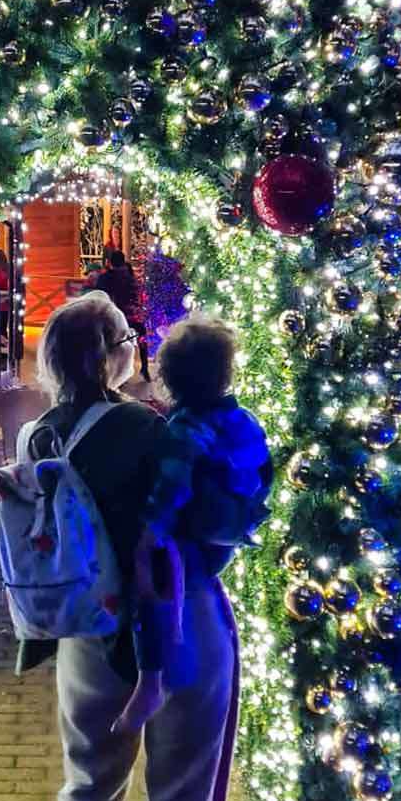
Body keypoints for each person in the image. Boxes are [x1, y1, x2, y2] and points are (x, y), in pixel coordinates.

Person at [19, 292, 239, 801]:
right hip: (185, 628)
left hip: (91, 633)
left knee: (88, 787)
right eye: (126, 338)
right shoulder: (152, 430)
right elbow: (211, 528)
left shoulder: (37, 437)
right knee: (178, 794)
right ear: (113, 351)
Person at [112, 315, 273, 736]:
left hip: (194, 537)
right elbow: (265, 472)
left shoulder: (184, 428)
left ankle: (151, 678)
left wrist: (150, 532)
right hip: (230, 534)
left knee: (149, 587)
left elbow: (173, 486)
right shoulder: (245, 420)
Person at [94, 250, 151, 382]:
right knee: (142, 335)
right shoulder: (130, 276)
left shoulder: (108, 277)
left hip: (116, 315)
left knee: (106, 338)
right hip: (135, 316)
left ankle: (108, 371)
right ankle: (144, 367)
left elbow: (100, 294)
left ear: (110, 263)